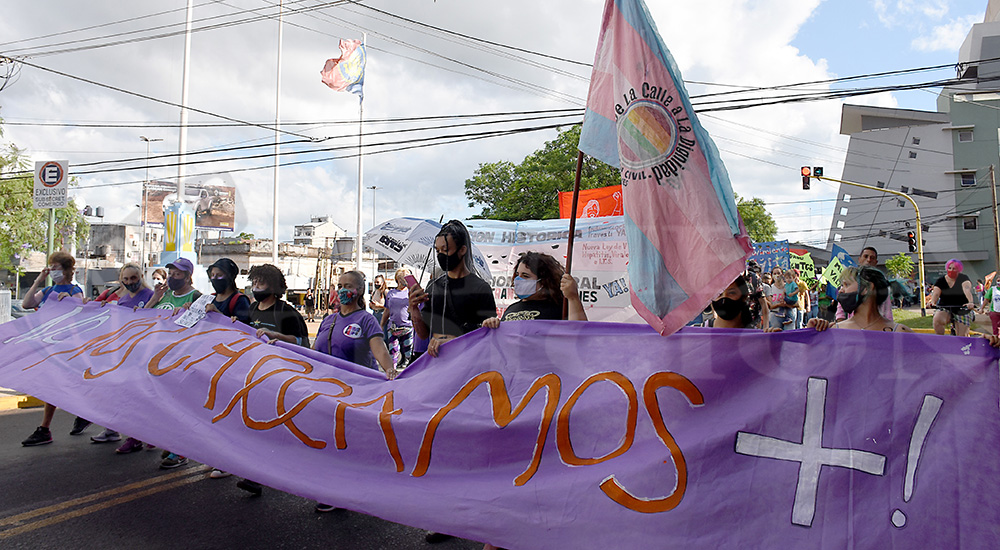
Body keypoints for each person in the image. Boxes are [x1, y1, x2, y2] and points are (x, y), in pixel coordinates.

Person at [308, 270, 395, 512]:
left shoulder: (366, 319)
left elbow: (379, 349)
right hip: (327, 390)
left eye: (348, 286)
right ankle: (332, 490)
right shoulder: (329, 320)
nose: (342, 289)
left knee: (349, 442)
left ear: (358, 291)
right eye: (339, 285)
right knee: (329, 441)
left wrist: (389, 371)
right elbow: (314, 353)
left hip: (357, 392)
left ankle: (351, 490)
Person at [233, 264, 311, 494]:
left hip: (281, 378)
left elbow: (302, 344)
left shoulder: (286, 312)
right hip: (256, 377)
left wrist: (277, 336)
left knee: (277, 432)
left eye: (262, 283)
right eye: (254, 283)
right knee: (256, 429)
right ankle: (255, 475)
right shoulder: (252, 308)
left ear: (275, 287)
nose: (256, 287)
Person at [20, 252, 90, 447]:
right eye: (51, 267)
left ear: (67, 270)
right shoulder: (49, 290)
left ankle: (46, 427)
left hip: (66, 347)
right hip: (48, 346)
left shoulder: (74, 290)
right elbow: (27, 304)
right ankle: (76, 416)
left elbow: (79, 313)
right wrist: (38, 280)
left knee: (57, 385)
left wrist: (68, 300)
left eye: (57, 268)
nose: (53, 271)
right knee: (53, 385)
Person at [409, 220, 497, 358]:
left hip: (468, 361)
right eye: (437, 251)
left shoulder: (481, 288)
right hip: (437, 361)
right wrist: (414, 308)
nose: (440, 255)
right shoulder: (433, 286)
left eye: (445, 250)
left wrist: (454, 340)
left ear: (462, 250)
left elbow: (489, 335)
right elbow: (423, 334)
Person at [145, 258, 202, 469]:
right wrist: (153, 300)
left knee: (180, 406)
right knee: (163, 406)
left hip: (180, 359)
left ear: (188, 276)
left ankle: (181, 451)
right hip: (159, 358)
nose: (173, 278)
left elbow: (204, 328)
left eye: (178, 274)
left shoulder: (196, 297)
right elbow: (145, 320)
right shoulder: (165, 295)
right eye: (171, 273)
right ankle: (171, 443)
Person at [91, 264, 156, 447]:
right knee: (121, 393)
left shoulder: (150, 296)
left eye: (133, 278)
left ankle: (143, 435)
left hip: (143, 354)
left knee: (141, 397)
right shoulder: (123, 299)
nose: (130, 283)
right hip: (124, 353)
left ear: (141, 277)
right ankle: (116, 429)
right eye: (126, 279)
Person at [482, 251, 587, 328]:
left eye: (525, 276)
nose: (519, 279)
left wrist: (573, 298)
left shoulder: (561, 308)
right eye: (517, 275)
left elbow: (580, 333)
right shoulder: (511, 308)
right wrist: (492, 325)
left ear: (544, 281)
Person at [809, 267, 913, 333]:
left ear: (867, 288)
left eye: (846, 284)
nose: (840, 291)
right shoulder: (834, 331)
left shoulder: (900, 332)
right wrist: (810, 333)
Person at [836, 247, 893, 322]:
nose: (869, 260)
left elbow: (887, 308)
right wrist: (840, 328)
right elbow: (840, 311)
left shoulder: (882, 284)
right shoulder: (851, 278)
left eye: (872, 258)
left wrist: (888, 328)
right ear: (859, 259)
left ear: (876, 262)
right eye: (865, 256)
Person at [928, 259, 975, 337]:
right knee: (937, 319)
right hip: (945, 307)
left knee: (962, 335)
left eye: (954, 268)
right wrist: (932, 302)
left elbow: (967, 290)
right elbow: (936, 293)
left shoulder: (963, 278)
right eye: (949, 268)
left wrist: (970, 302)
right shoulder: (941, 280)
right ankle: (940, 340)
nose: (951, 270)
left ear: (958, 270)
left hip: (962, 308)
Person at [382, 268, 414, 369]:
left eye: (406, 278)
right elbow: (387, 310)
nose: (403, 281)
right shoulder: (391, 293)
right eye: (401, 278)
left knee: (408, 353)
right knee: (393, 352)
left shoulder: (410, 293)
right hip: (393, 327)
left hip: (407, 327)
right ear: (397, 279)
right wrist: (381, 324)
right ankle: (392, 372)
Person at [204, 258, 251, 323]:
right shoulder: (210, 298)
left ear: (230, 277)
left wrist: (217, 312)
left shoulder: (240, 300)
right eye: (212, 275)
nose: (214, 278)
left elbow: (242, 327)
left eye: (219, 275)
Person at [744, 260, 769, 329]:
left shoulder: (754, 279)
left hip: (753, 323)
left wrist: (766, 327)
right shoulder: (728, 279)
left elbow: (764, 304)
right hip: (734, 326)